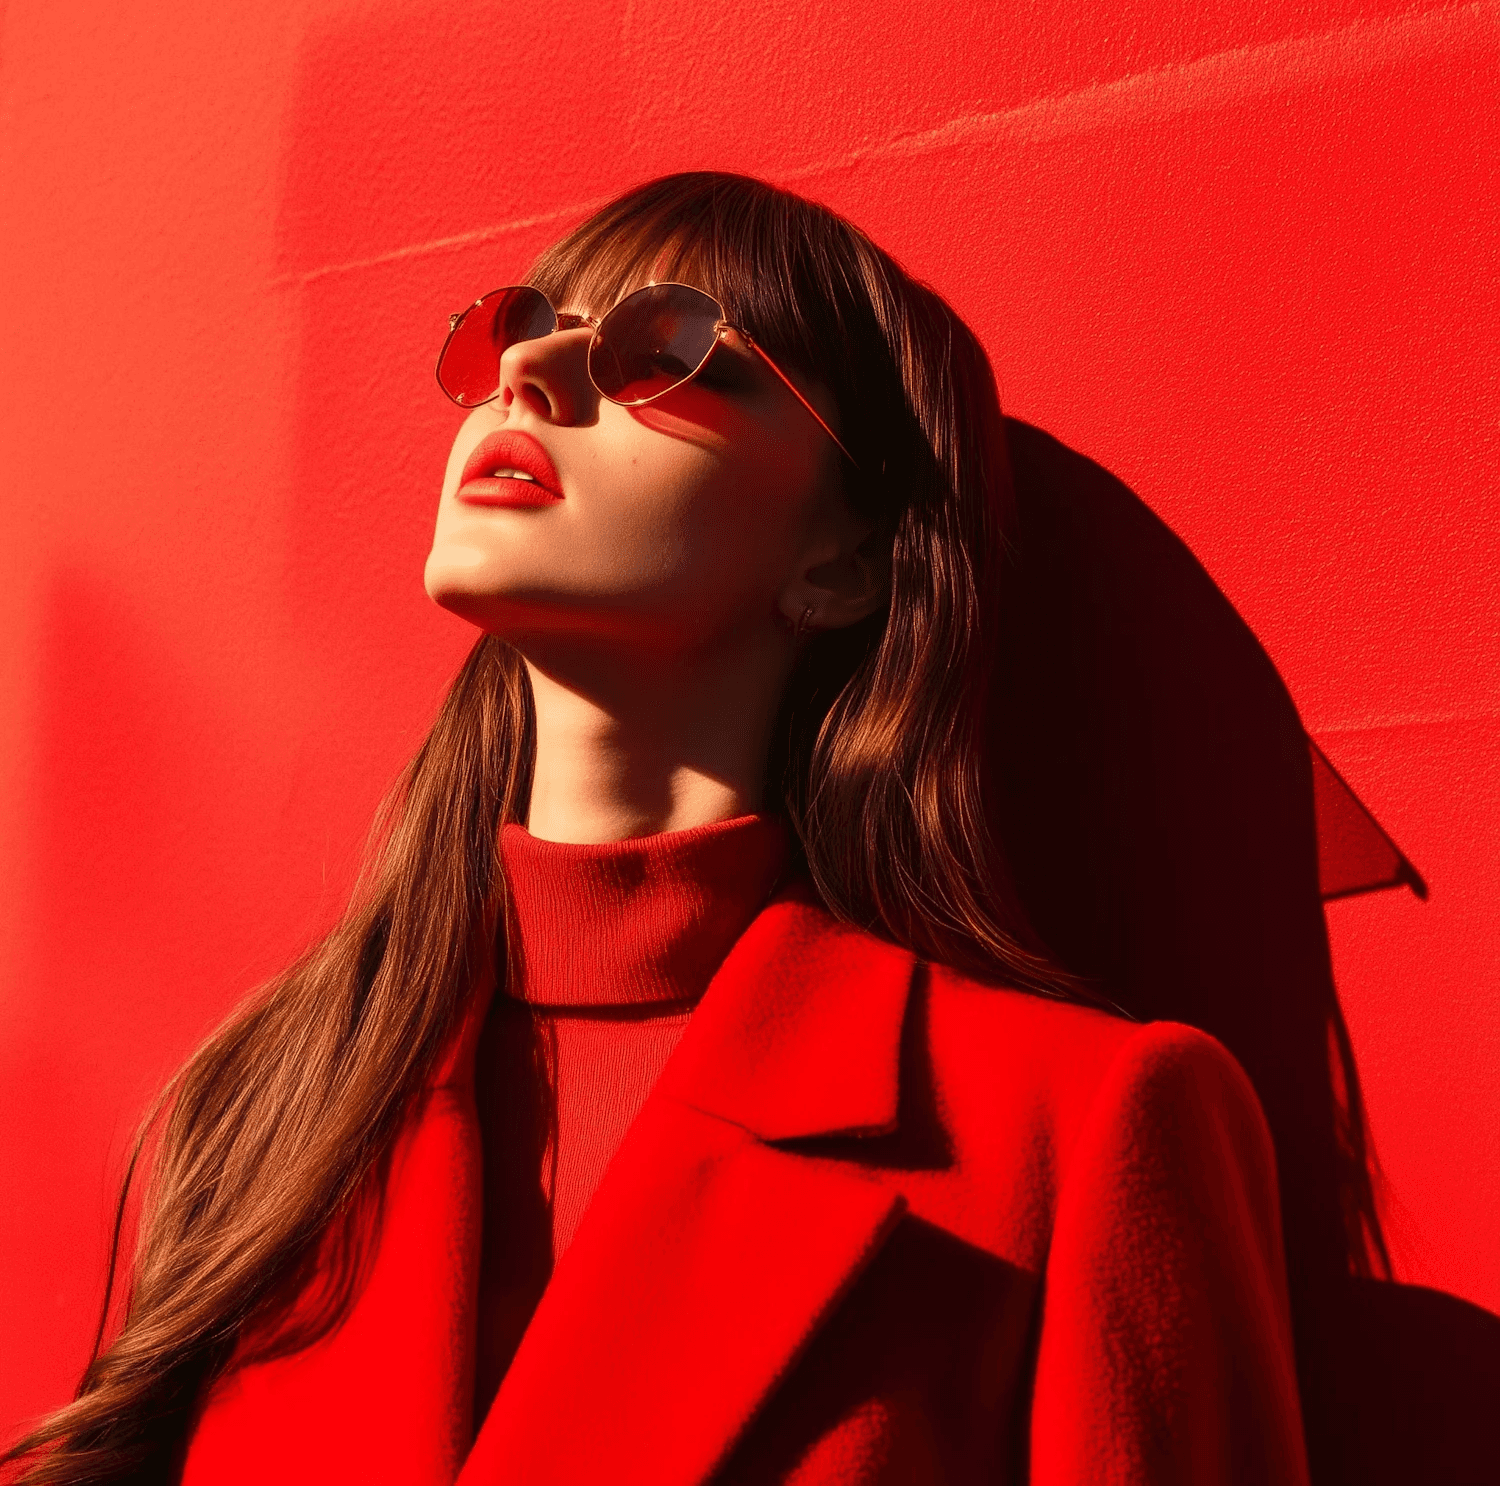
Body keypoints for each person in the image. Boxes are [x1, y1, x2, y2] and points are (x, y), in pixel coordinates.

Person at [6, 171, 1352, 1484]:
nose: (531, 375)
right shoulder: (261, 1113)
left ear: (838, 561)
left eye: (670, 349)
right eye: (515, 331)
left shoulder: (1073, 1130)